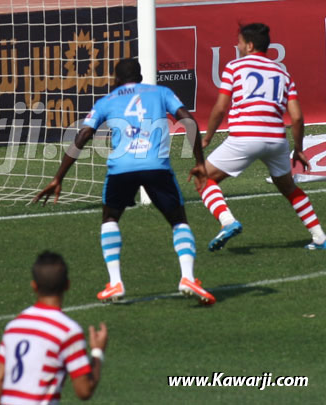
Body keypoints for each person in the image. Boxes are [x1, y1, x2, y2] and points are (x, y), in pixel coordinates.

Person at [33, 58, 216, 305]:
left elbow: (83, 135)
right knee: (178, 220)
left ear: (116, 79)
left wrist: (58, 177)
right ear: (140, 77)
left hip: (122, 169)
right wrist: (199, 161)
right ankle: (187, 277)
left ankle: (115, 282)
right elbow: (189, 120)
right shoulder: (161, 92)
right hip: (155, 167)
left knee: (110, 218)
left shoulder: (107, 100)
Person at [198, 22, 326, 251]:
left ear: (249, 45)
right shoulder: (282, 73)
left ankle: (227, 221)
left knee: (203, 178)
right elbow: (297, 117)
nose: (237, 47)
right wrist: (298, 149)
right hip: (276, 139)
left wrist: (207, 138)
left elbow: (220, 108)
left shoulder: (234, 67)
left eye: (239, 43)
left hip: (245, 136)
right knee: (289, 188)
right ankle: (319, 237)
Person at [0, 250, 108, 405]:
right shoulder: (68, 331)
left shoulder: (14, 327)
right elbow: (84, 391)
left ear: (34, 286)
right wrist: (97, 352)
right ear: (67, 285)